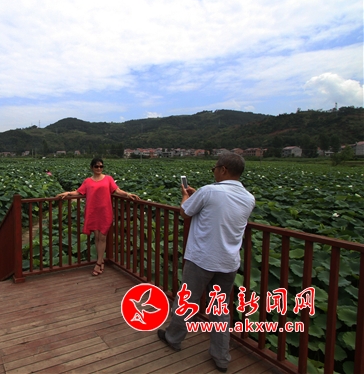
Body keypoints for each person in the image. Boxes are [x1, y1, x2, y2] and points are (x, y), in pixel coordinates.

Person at [157, 153, 255, 373]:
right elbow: (220, 211)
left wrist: (186, 196)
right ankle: (221, 356)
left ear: (223, 169)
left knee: (186, 301)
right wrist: (197, 196)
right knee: (220, 308)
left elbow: (185, 212)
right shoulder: (249, 198)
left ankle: (173, 338)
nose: (214, 172)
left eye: (215, 168)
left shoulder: (209, 191)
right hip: (229, 262)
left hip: (202, 259)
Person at [57, 157, 140, 276]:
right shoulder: (87, 181)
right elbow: (79, 192)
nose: (99, 168)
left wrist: (128, 194)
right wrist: (68, 193)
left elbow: (117, 191)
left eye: (101, 166)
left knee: (102, 237)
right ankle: (101, 261)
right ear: (92, 167)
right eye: (96, 166)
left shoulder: (108, 179)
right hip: (93, 211)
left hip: (105, 211)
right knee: (96, 237)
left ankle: (99, 262)